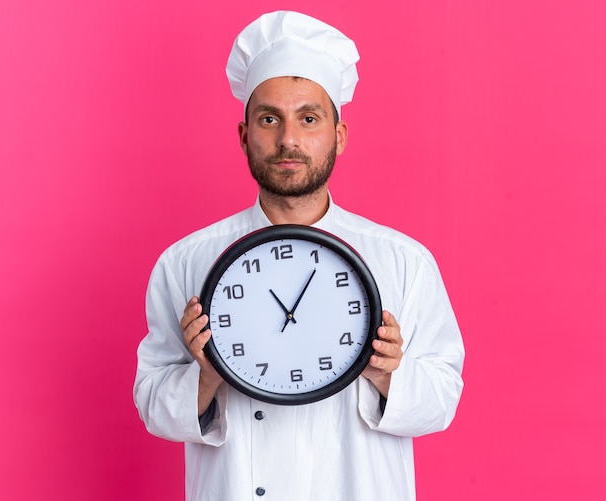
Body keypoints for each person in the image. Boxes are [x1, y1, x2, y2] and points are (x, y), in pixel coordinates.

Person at [134, 10, 464, 501]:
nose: (288, 139)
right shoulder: (187, 263)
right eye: (270, 119)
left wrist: (386, 372)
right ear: (245, 136)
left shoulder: (403, 261)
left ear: (338, 135)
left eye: (309, 118)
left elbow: (442, 401)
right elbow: (153, 406)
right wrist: (206, 374)